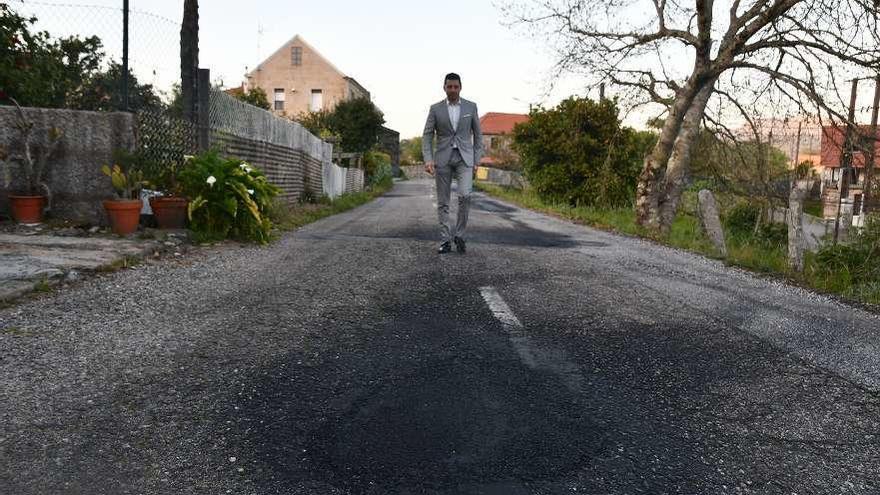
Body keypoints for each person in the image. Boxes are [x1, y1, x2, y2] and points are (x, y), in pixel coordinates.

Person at [422, 72, 483, 254]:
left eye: (456, 87)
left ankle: (460, 235)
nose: (453, 90)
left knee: (465, 195)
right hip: (443, 158)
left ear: (460, 87)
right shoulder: (435, 109)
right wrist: (428, 159)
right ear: (444, 88)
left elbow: (478, 135)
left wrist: (477, 159)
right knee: (443, 202)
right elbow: (427, 135)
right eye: (450, 87)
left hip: (465, 158)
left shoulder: (471, 107)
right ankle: (445, 240)